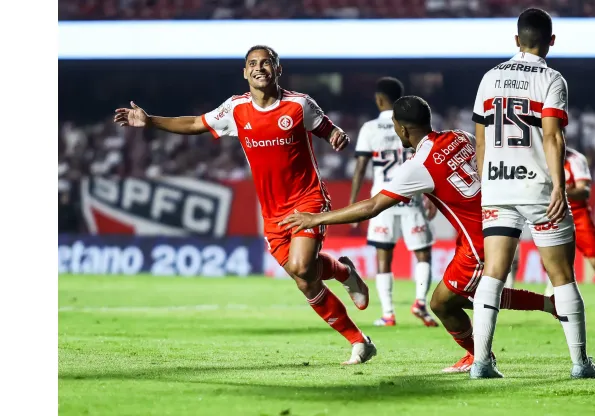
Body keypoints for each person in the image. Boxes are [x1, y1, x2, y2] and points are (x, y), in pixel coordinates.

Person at [113, 45, 376, 365]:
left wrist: (336, 135)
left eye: (266, 63)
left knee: (301, 267)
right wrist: (150, 121)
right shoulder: (235, 110)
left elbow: (327, 129)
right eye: (252, 64)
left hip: (307, 199)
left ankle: (356, 333)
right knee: (304, 279)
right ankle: (351, 305)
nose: (259, 68)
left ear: (278, 69)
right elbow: (196, 124)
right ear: (244, 72)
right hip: (272, 212)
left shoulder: (299, 105)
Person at [281, 96, 560, 375]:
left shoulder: (419, 165)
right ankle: (536, 313)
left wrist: (315, 218)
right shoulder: (459, 136)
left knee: (443, 302)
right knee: (460, 297)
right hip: (490, 226)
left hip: (480, 239)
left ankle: (483, 354)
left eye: (395, 126)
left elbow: (372, 207)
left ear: (402, 129)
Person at [470, 8, 595, 379]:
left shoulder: (489, 77)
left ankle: (481, 362)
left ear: (516, 40)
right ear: (551, 41)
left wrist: (487, 183)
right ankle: (580, 364)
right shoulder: (551, 79)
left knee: (493, 274)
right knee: (562, 274)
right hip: (538, 188)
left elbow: (481, 139)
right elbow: (551, 135)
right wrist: (560, 185)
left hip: (496, 186)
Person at [350, 77, 438, 327]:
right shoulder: (411, 123)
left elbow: (360, 168)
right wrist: (432, 195)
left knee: (383, 256)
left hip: (382, 199)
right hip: (412, 196)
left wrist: (355, 202)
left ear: (379, 99)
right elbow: (427, 160)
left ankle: (388, 314)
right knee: (423, 254)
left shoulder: (369, 128)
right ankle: (420, 302)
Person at [543, 147, 595, 325]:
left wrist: (559, 192)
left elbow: (584, 191)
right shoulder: (541, 157)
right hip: (554, 215)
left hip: (579, 216)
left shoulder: (575, 159)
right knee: (551, 258)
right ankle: (554, 291)